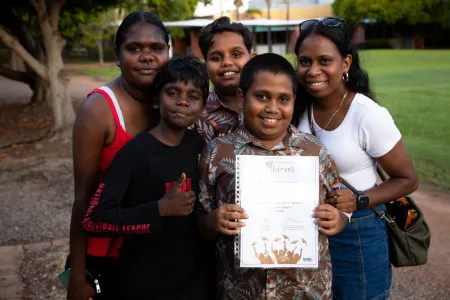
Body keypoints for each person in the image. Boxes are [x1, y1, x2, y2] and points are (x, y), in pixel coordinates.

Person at [197, 53, 349, 299]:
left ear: (293, 101)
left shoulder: (314, 151)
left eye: (283, 99)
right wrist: (213, 221)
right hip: (241, 290)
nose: (272, 108)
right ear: (241, 97)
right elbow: (200, 220)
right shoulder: (217, 152)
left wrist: (338, 220)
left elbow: (342, 206)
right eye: (262, 96)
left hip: (305, 291)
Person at [292, 17, 419, 299]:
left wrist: (360, 199)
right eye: (304, 61)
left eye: (325, 61)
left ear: (346, 64)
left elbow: (408, 179)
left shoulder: (367, 114)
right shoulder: (296, 106)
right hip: (305, 228)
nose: (313, 71)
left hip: (357, 230)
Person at [82, 56, 210, 299]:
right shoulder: (135, 152)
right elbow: (94, 219)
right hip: (144, 281)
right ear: (155, 99)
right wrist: (159, 209)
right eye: (173, 92)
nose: (182, 101)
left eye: (193, 97)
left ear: (202, 107)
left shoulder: (200, 146)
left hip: (193, 279)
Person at [68, 11, 170, 300]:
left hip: (155, 252)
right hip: (108, 255)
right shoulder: (98, 111)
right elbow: (83, 200)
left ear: (168, 52)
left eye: (156, 48)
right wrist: (78, 276)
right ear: (117, 54)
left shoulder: (174, 102)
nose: (146, 56)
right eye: (134, 48)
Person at [195, 16, 256, 143]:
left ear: (252, 60)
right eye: (216, 58)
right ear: (205, 66)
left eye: (236, 54)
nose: (227, 62)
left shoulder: (270, 104)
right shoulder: (195, 113)